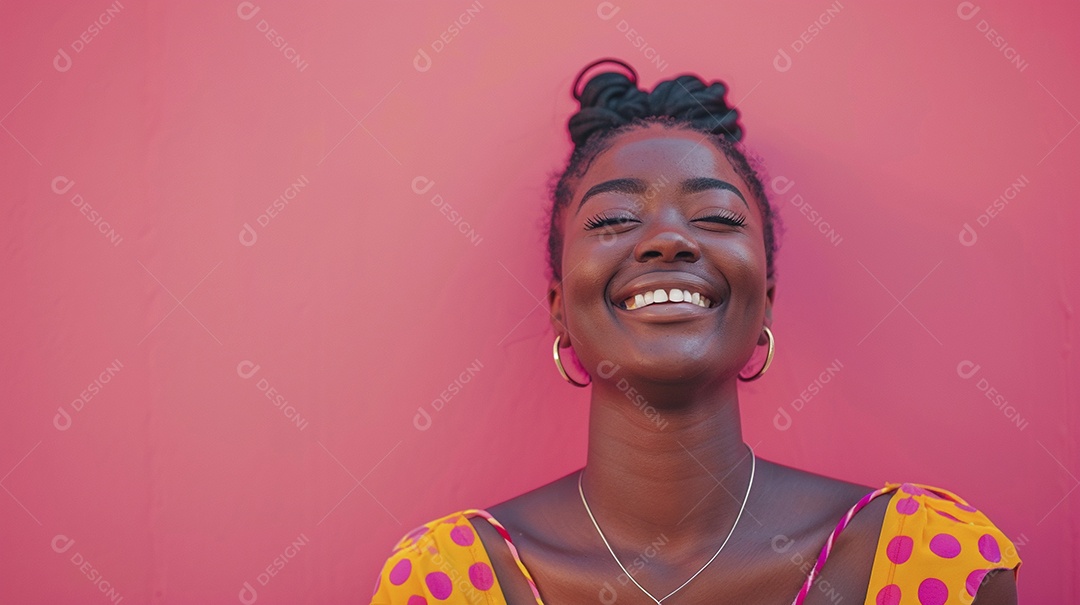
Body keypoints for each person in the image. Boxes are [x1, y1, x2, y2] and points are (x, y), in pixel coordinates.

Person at [368, 59, 1022, 605]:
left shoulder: (927, 562)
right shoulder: (449, 578)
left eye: (714, 215)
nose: (669, 239)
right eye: (614, 219)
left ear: (765, 299)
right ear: (559, 309)